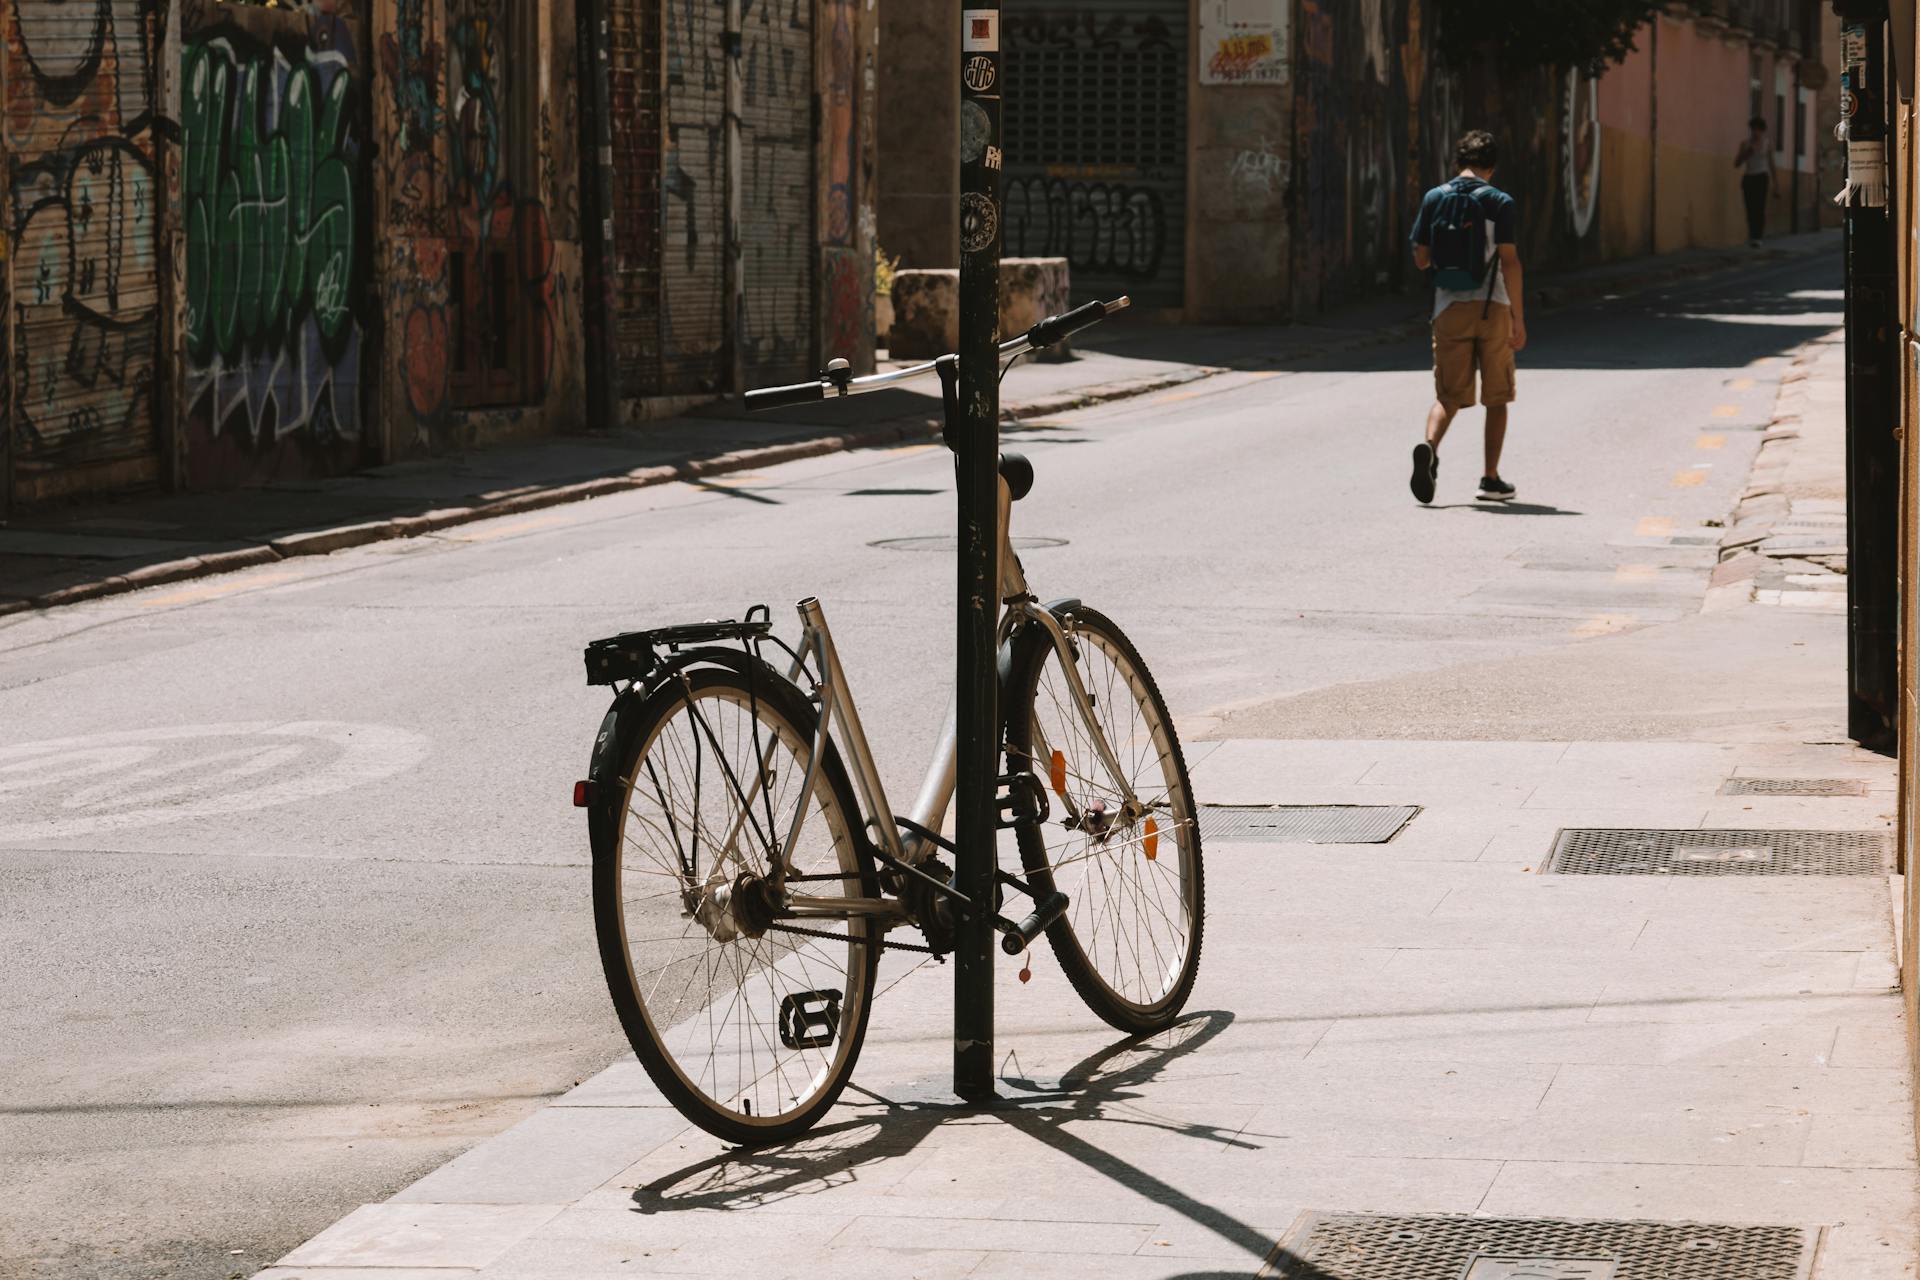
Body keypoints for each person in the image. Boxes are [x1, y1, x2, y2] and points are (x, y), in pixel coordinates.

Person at [1407, 129, 1526, 506]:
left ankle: (1429, 446)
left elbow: (1421, 259)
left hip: (1448, 308)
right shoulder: (1500, 202)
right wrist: (1519, 319)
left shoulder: (1434, 198)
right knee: (1497, 396)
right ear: (1492, 166)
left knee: (1448, 395)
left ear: (1458, 162)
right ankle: (1490, 480)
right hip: (1494, 308)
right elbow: (1510, 262)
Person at [1735, 116, 1772, 246]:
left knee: (1759, 207)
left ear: (1762, 131)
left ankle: (1758, 237)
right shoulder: (1745, 144)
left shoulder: (1766, 144)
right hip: (1749, 177)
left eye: (1758, 130)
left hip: (1761, 177)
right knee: (1750, 208)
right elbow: (1737, 163)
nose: (1755, 132)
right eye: (1753, 129)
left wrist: (1776, 185)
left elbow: (1771, 164)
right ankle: (1752, 235)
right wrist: (1746, 153)